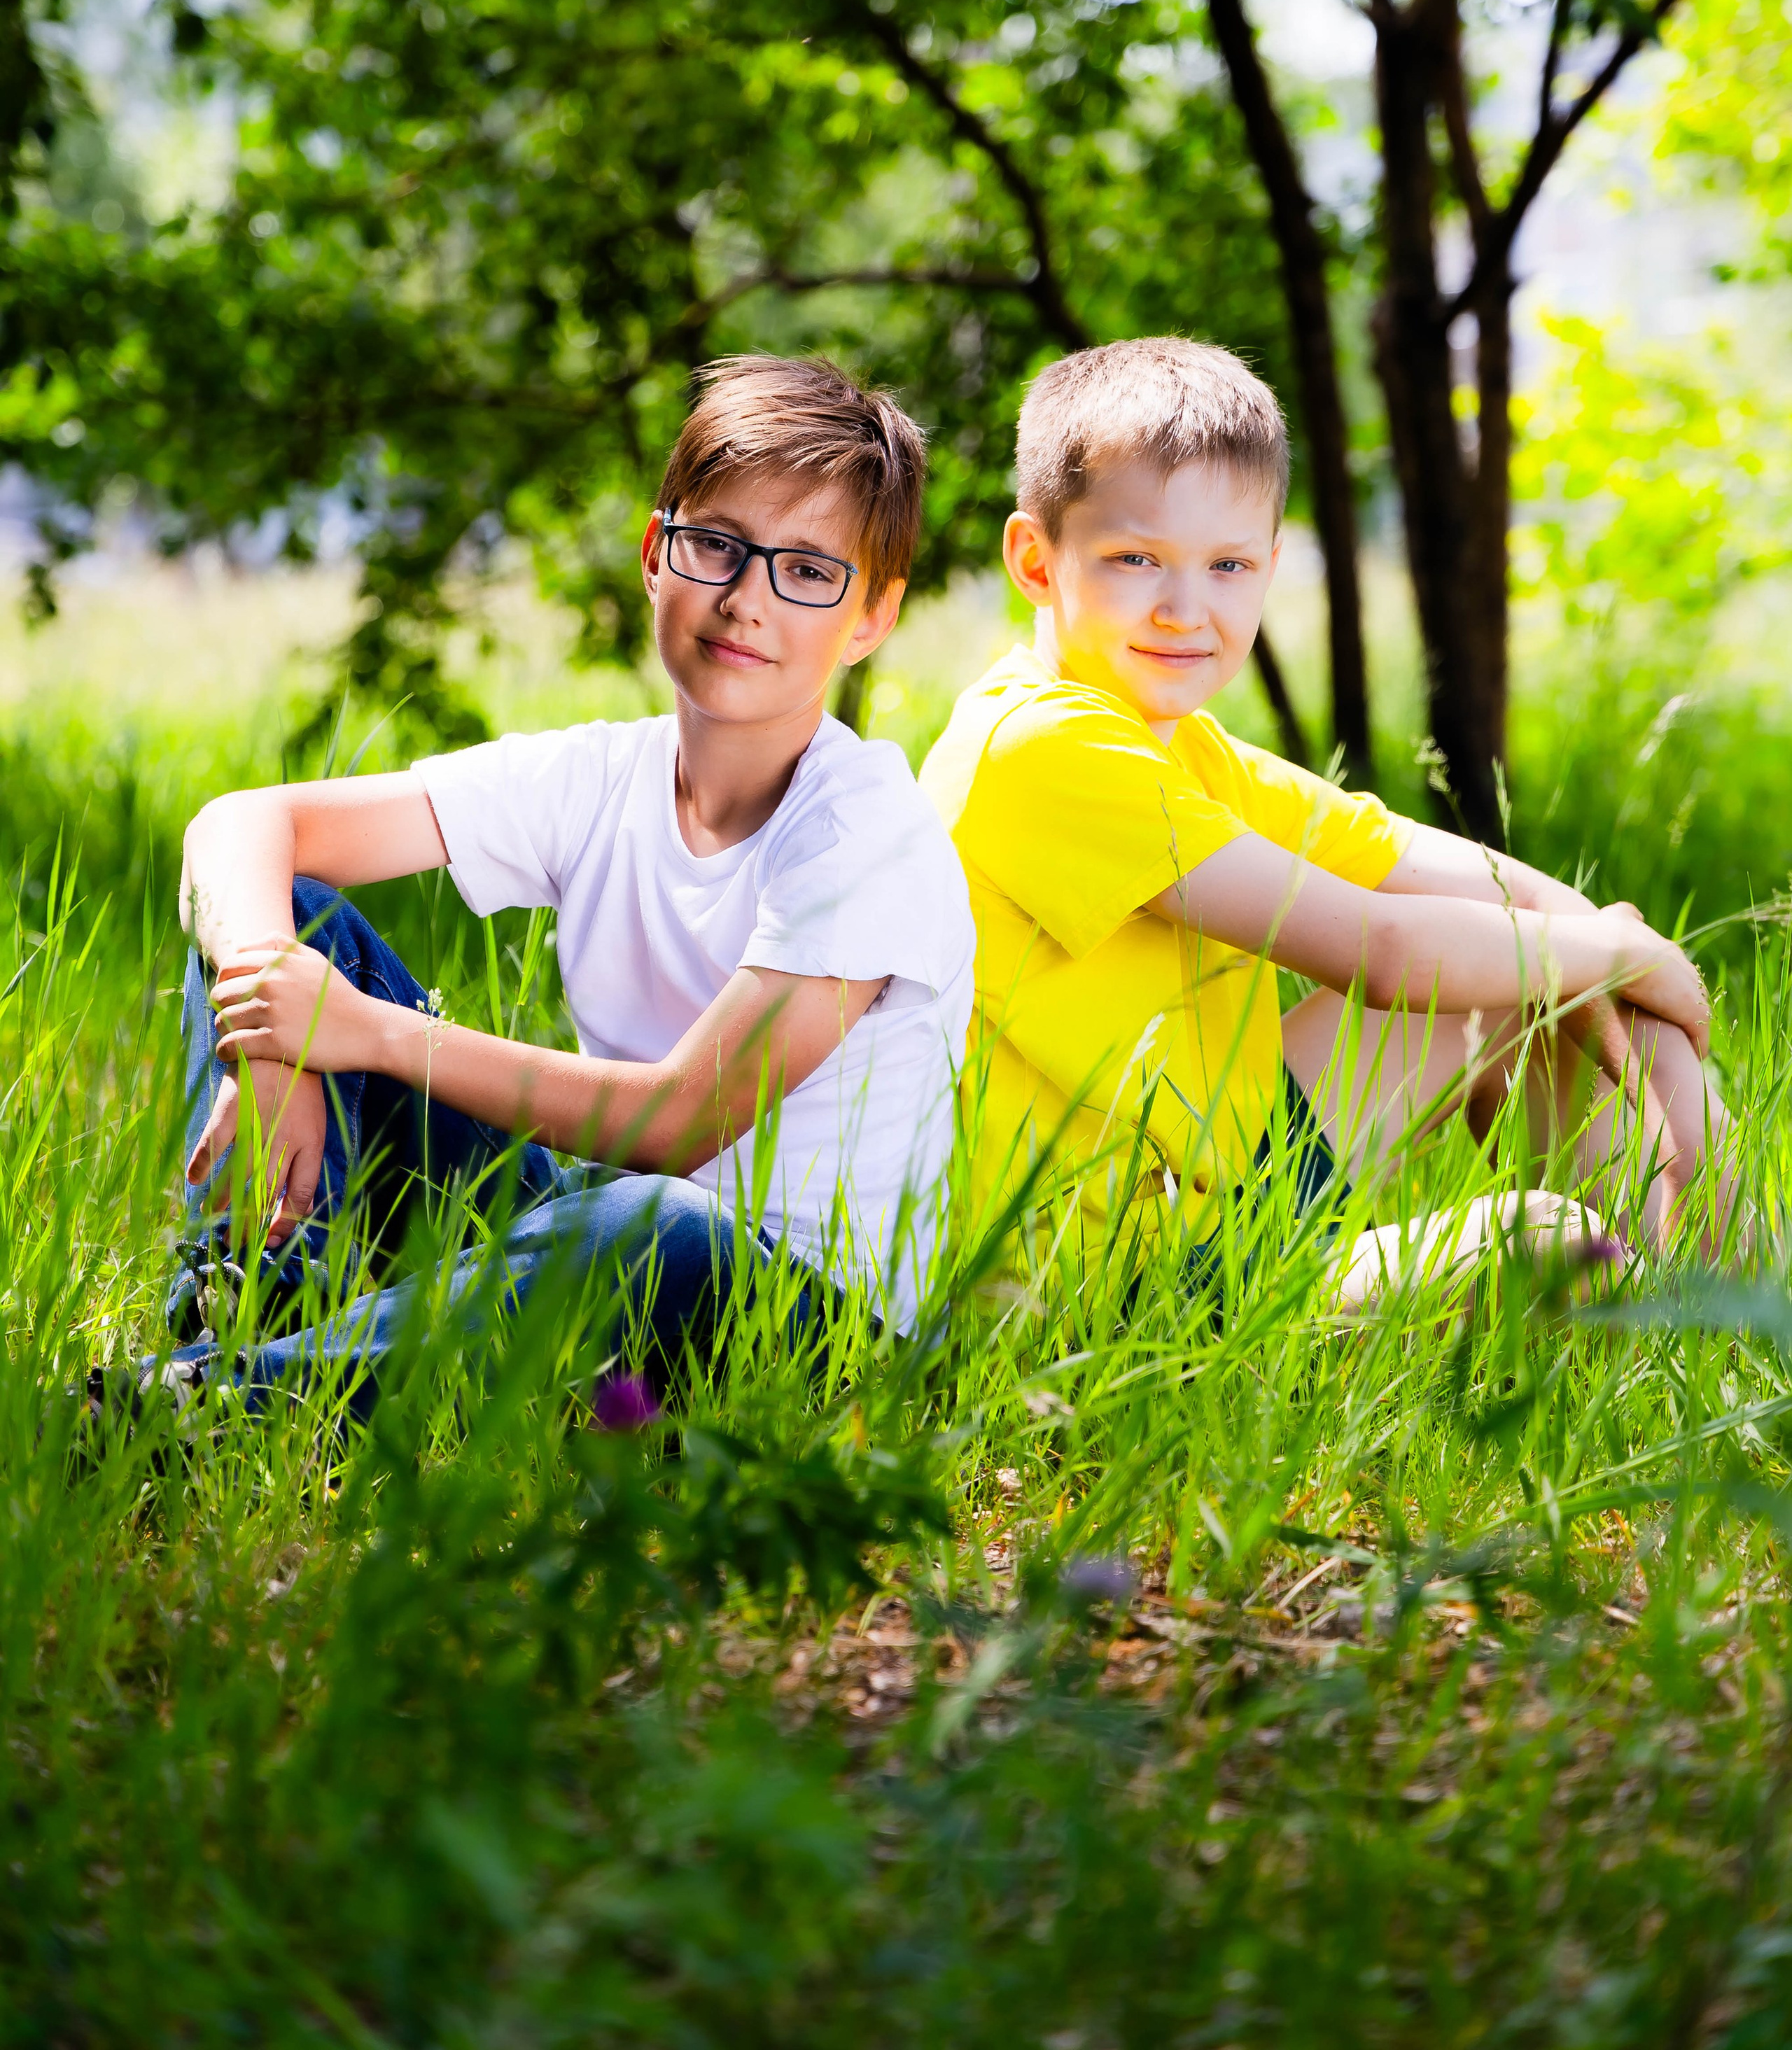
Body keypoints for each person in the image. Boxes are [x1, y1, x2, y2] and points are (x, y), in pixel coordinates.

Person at [159, 353, 975, 1412]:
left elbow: (680, 1126)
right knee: (294, 924)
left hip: (804, 1317)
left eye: (810, 573)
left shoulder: (868, 830)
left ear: (871, 617)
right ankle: (245, 1313)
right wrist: (274, 1044)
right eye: (717, 546)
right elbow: (241, 825)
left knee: (654, 1222)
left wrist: (366, 1033)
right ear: (655, 554)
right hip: (599, 1228)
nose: (747, 601)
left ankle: (211, 1404)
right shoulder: (601, 775)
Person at [918, 337, 1728, 1306]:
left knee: (1533, 968)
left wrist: (1610, 953)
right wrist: (1624, 954)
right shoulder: (1037, 747)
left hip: (1221, 1188)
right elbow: (1383, 950)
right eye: (1136, 559)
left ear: (1268, 566)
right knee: (1553, 1244)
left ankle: (1724, 1284)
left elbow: (1450, 876)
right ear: (1035, 560)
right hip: (1108, 1286)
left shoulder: (1184, 747)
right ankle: (1687, 1296)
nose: (1185, 609)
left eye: (1227, 565)